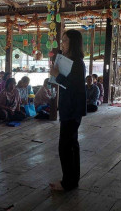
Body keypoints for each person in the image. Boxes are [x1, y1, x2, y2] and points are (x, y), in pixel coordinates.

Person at [49, 29, 86, 192]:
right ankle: (72, 180)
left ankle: (67, 183)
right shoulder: (70, 60)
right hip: (69, 107)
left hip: (72, 108)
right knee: (72, 145)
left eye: (65, 40)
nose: (62, 44)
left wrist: (57, 75)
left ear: (73, 43)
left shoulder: (77, 63)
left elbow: (73, 87)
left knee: (65, 146)